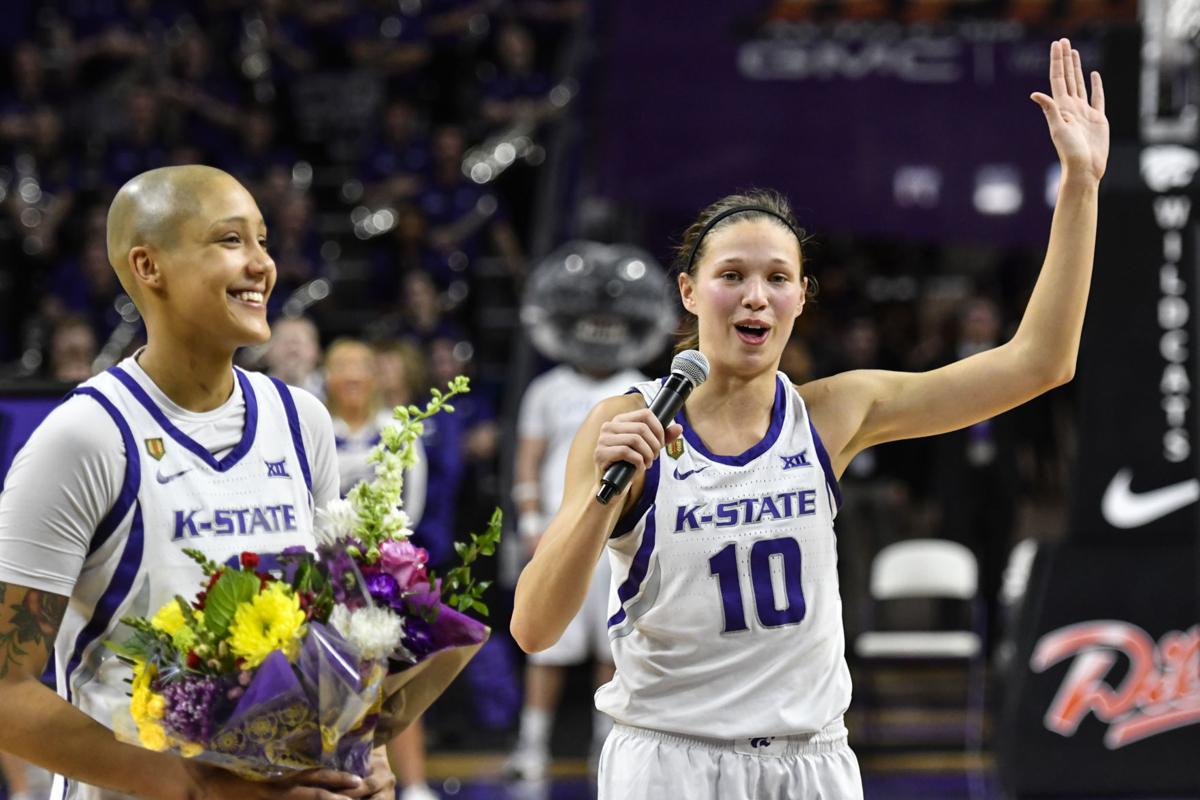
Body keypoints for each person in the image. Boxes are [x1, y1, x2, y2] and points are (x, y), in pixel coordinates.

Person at [510, 39, 1107, 799]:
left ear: (800, 297)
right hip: (669, 760)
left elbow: (1041, 362)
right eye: (732, 275)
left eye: (777, 277)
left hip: (810, 761)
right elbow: (534, 627)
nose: (755, 296)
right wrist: (603, 500)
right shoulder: (625, 422)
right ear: (689, 292)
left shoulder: (834, 413)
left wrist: (1080, 185)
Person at [0, 165, 395, 799]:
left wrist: (365, 749)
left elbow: (337, 631)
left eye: (263, 240)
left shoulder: (300, 421)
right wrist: (196, 787)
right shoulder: (85, 437)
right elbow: (5, 690)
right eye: (230, 240)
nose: (262, 264)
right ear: (148, 266)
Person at [506, 357, 648, 781]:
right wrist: (530, 521)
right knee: (546, 649)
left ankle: (605, 745)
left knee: (614, 646)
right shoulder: (546, 388)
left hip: (621, 532)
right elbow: (528, 458)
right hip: (561, 529)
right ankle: (532, 745)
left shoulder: (642, 387)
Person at [322, 337, 434, 800]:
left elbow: (414, 507)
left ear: (375, 376)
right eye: (341, 367)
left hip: (383, 575)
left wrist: (384, 560)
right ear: (327, 376)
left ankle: (415, 785)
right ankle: (339, 783)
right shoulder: (315, 428)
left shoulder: (398, 429)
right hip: (324, 576)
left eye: (360, 366)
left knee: (393, 679)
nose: (351, 376)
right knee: (330, 685)